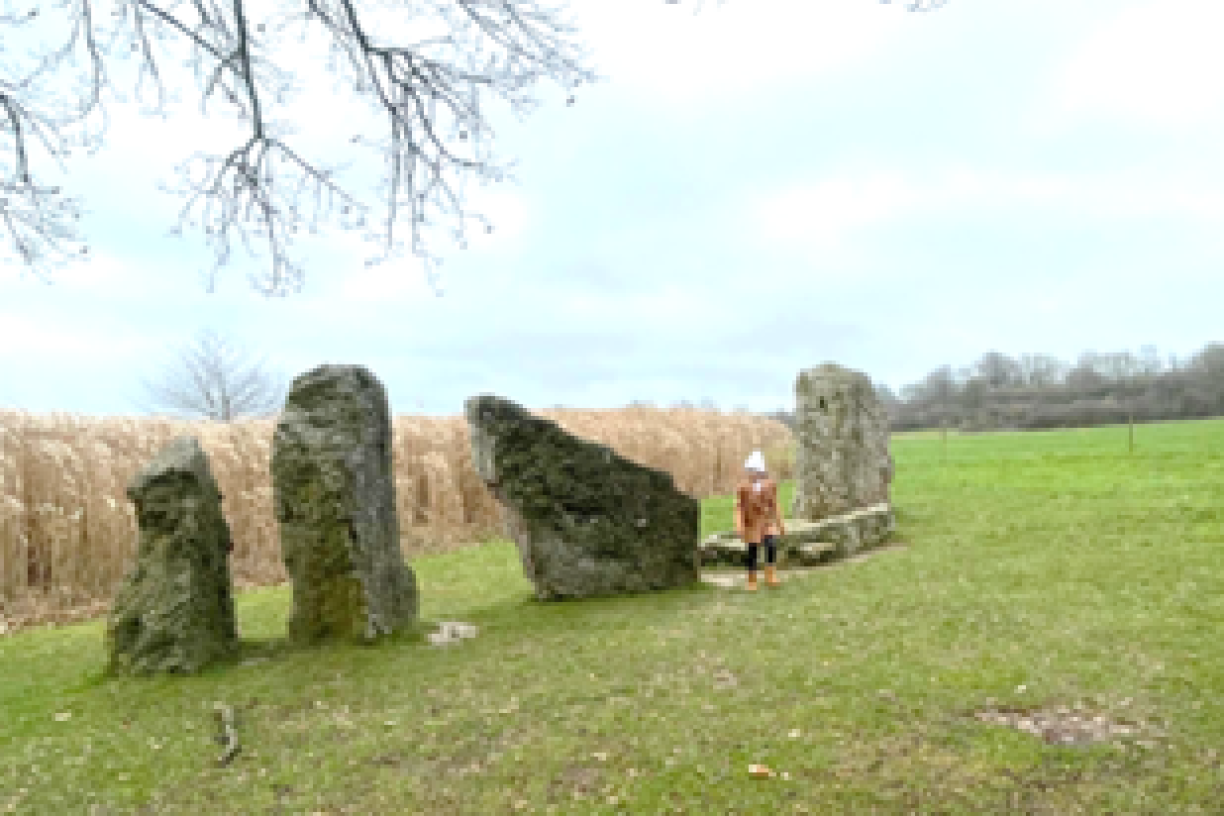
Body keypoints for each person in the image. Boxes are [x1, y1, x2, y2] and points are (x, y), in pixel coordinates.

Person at [734, 450, 786, 591]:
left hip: (766, 522)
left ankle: (770, 574)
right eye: (750, 470)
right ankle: (751, 579)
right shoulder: (743, 488)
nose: (753, 473)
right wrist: (739, 525)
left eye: (755, 470)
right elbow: (739, 508)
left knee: (771, 545)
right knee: (753, 550)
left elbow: (775, 504)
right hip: (752, 523)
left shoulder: (770, 485)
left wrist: (780, 524)